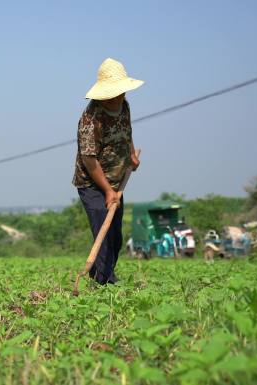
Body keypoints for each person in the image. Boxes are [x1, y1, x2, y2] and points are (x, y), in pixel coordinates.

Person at [73, 58, 143, 285]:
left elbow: (126, 132)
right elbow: (89, 159)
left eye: (121, 93)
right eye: (113, 94)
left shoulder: (125, 106)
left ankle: (105, 276)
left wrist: (130, 155)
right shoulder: (90, 120)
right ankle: (103, 282)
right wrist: (106, 191)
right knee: (102, 233)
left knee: (115, 236)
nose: (118, 98)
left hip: (116, 180)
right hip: (92, 184)